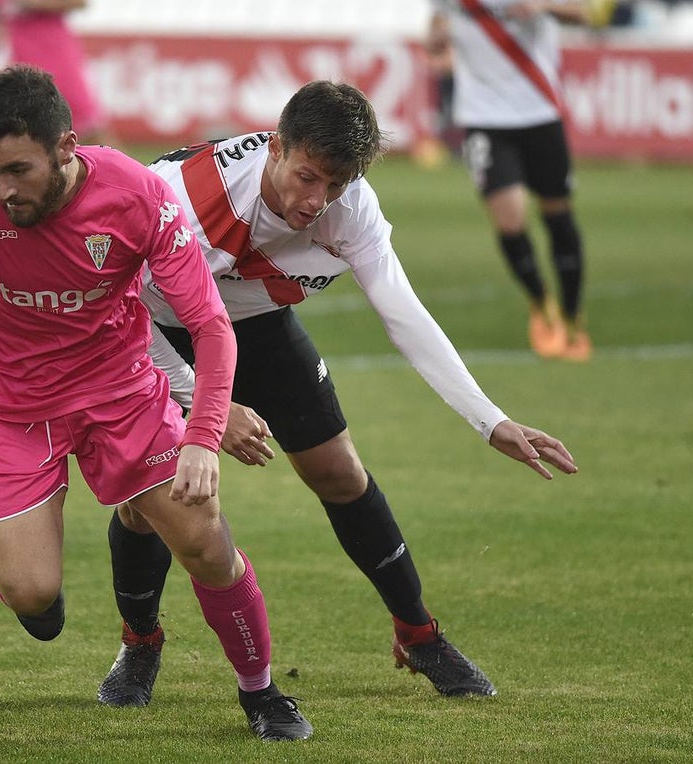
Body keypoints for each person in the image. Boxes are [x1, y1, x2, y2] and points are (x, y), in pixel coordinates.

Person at [0, 65, 312, 742]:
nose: (2, 188)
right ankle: (45, 573)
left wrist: (203, 437)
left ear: (66, 146)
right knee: (32, 594)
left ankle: (261, 693)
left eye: (18, 169)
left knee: (206, 539)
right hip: (2, 401)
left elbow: (210, 326)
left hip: (120, 392)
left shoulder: (139, 197)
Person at [95, 81, 578, 708]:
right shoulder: (184, 198)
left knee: (339, 471)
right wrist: (206, 405)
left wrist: (490, 421)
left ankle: (419, 632)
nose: (317, 201)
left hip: (257, 326)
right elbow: (119, 307)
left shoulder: (352, 208)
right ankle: (140, 643)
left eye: (337, 184)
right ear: (275, 146)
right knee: (152, 502)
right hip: (157, 330)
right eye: (307, 177)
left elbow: (404, 314)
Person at [429, 0, 593, 361]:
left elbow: (585, 12)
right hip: (484, 117)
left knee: (557, 214)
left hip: (539, 111)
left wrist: (542, 6)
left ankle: (572, 315)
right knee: (510, 219)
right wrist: (438, 38)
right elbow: (435, 37)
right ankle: (541, 304)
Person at [0, 0, 110, 144]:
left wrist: (33, 4)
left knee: (86, 126)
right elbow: (3, 14)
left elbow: (79, 2)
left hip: (56, 53)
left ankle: (120, 165)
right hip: (22, 57)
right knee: (24, 127)